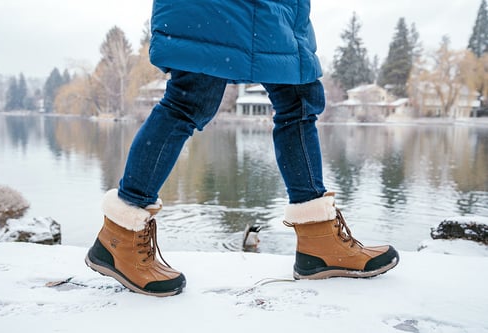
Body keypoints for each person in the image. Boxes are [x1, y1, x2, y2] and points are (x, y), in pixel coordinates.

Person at [85, 0, 399, 297]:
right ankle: (120, 237)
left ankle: (319, 240)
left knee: (298, 100)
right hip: (221, 8)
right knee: (191, 98)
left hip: (271, 10)